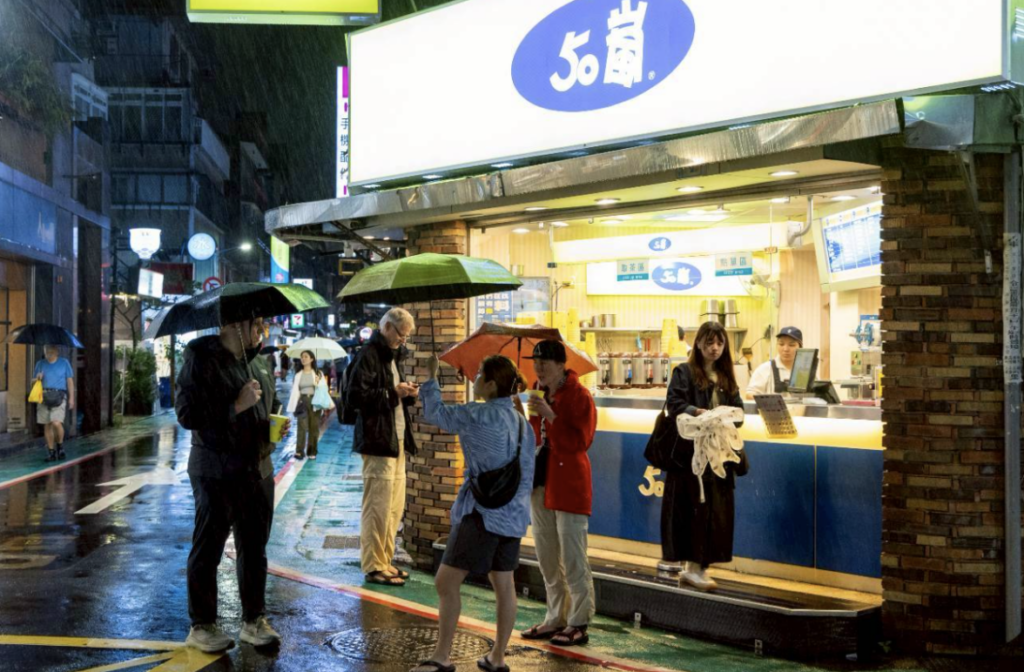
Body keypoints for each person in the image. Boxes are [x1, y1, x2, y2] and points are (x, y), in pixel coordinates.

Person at [411, 354, 535, 672]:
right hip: (513, 516)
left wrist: (431, 378)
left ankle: (442, 656)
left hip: (482, 513)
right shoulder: (523, 424)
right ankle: (497, 657)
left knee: (446, 581)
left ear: (491, 385)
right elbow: (527, 474)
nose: (474, 378)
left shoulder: (476, 414)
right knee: (504, 583)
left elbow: (436, 413)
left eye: (479, 374)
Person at [175, 316, 290, 652]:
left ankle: (254, 620)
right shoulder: (200, 359)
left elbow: (267, 406)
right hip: (216, 469)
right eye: (256, 325)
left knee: (254, 548)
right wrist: (236, 405)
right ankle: (202, 625)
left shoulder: (258, 362)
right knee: (208, 547)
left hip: (257, 467)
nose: (261, 331)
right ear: (234, 325)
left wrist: (273, 424)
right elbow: (187, 414)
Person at [520, 340, 597, 647]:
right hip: (541, 480)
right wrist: (524, 412)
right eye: (535, 362)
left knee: (573, 555)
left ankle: (579, 621)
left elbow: (581, 442)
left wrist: (552, 415)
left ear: (561, 365)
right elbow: (533, 435)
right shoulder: (537, 392)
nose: (538, 368)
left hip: (569, 482)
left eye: (545, 363)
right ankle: (555, 617)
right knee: (547, 554)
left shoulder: (579, 395)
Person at [663, 321, 745, 591]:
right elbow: (674, 404)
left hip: (718, 456)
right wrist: (698, 413)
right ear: (698, 343)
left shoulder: (726, 377)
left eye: (720, 343)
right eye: (709, 342)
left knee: (714, 512)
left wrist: (724, 417)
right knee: (693, 509)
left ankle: (698, 567)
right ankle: (693, 567)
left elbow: (739, 412)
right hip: (690, 457)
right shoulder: (684, 372)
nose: (715, 348)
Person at [346, 308, 419, 586]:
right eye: (401, 334)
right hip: (377, 441)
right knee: (377, 507)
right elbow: (355, 397)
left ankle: (385, 560)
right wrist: (393, 393)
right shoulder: (368, 354)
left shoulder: (392, 355)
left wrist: (407, 393)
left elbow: (392, 395)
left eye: (407, 336)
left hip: (396, 439)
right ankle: (374, 565)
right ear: (387, 327)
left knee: (393, 507)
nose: (403, 340)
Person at [34, 345, 74, 462]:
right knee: (47, 424)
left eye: (51, 351)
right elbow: (32, 381)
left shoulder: (64, 362)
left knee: (56, 422)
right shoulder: (40, 364)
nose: (48, 353)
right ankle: (51, 452)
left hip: (59, 396)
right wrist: (38, 378)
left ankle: (60, 445)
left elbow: (70, 381)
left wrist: (71, 398)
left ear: (57, 352)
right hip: (44, 396)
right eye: (46, 351)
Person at [287, 350, 327, 460]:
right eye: (302, 357)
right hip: (302, 401)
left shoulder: (318, 373)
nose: (303, 359)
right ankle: (299, 451)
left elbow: (323, 389)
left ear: (312, 359)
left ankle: (312, 451)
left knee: (314, 428)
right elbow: (295, 391)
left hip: (315, 401)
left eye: (306, 356)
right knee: (301, 427)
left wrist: (318, 383)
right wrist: (294, 404)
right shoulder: (298, 374)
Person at [745, 326, 803, 398]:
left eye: (791, 345)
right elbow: (749, 394)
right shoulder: (765, 369)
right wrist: (770, 401)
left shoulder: (806, 370)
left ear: (800, 347)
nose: (785, 349)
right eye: (781, 344)